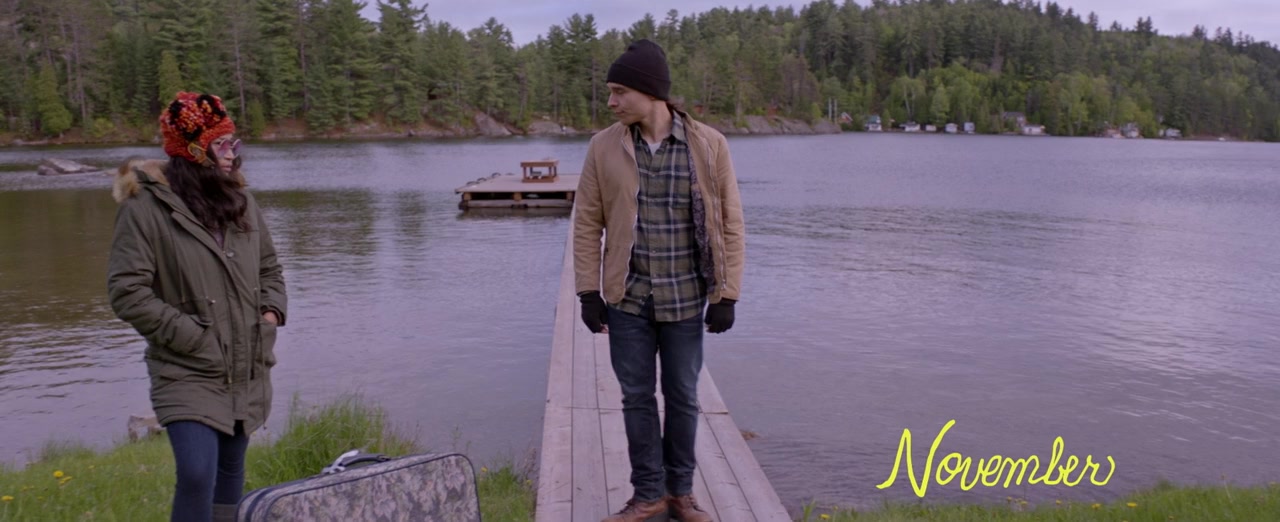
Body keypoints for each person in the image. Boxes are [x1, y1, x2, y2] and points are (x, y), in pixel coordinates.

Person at [573, 39, 745, 522]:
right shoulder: (603, 146)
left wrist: (727, 294)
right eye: (610, 91)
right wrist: (587, 291)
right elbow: (586, 223)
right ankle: (648, 495)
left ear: (650, 92)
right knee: (636, 398)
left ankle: (681, 493)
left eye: (619, 91)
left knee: (684, 397)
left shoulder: (709, 145)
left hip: (686, 298)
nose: (611, 101)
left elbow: (731, 223)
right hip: (627, 298)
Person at [107, 92, 287, 522]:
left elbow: (270, 268)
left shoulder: (240, 201)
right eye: (220, 144)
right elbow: (127, 291)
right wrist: (193, 336)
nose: (232, 154)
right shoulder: (144, 209)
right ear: (192, 150)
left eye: (232, 143)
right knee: (195, 471)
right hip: (185, 365)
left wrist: (270, 314)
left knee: (230, 468)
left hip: (246, 360)